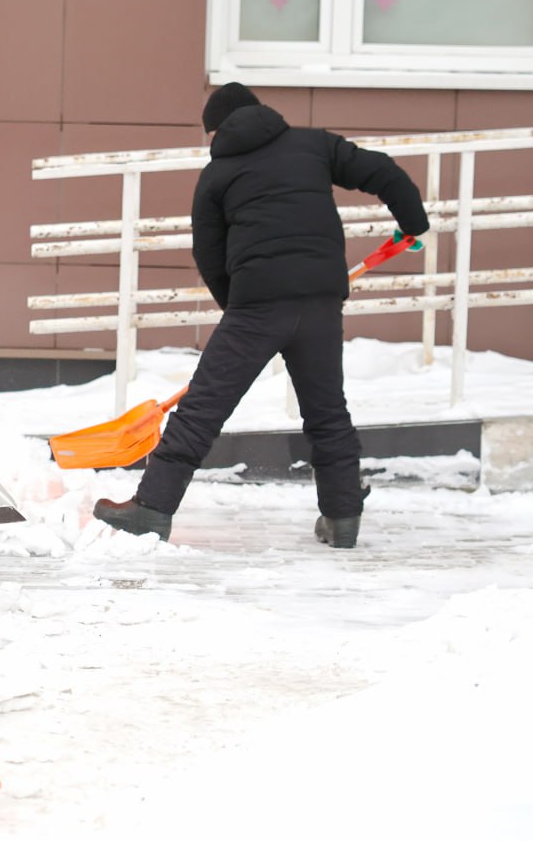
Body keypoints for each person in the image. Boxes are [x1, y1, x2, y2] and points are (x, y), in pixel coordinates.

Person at [94, 82, 429, 549]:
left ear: (216, 131)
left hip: (257, 306)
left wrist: (236, 308)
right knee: (327, 411)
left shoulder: (217, 175)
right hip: (320, 301)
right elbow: (384, 172)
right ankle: (342, 517)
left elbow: (209, 254)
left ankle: (152, 508)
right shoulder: (315, 145)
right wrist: (413, 224)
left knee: (203, 408)